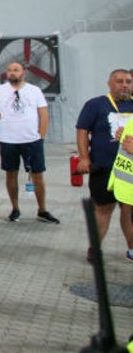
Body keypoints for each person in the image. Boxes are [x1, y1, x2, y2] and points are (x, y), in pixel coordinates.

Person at [0, 62, 58, 223]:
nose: (12, 73)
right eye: (9, 70)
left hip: (31, 139)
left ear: (23, 72)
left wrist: (41, 136)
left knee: (38, 175)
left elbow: (43, 113)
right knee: (11, 174)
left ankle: (42, 210)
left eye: (16, 70)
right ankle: (15, 208)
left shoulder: (34, 90)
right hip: (8, 139)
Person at [75, 69, 133, 262]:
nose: (124, 85)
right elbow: (82, 130)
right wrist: (84, 158)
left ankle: (132, 249)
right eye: (119, 81)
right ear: (109, 83)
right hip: (104, 167)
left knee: (129, 211)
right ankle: (95, 248)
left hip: (130, 170)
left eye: (128, 81)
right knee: (103, 209)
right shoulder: (95, 105)